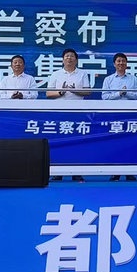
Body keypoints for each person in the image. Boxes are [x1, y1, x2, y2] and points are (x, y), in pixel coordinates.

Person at [46, 49, 91, 182]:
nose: (69, 58)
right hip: (59, 113)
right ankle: (58, 172)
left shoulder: (82, 74)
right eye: (67, 56)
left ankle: (77, 172)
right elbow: (48, 93)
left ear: (76, 60)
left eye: (72, 56)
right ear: (62, 59)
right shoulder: (56, 74)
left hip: (77, 113)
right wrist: (61, 92)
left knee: (77, 142)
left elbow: (88, 92)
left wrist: (74, 90)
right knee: (60, 142)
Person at [102, 53, 137, 181]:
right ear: (114, 64)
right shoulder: (108, 79)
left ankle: (129, 171)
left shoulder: (133, 79)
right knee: (115, 144)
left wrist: (126, 93)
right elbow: (104, 97)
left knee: (130, 143)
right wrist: (119, 94)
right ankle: (115, 172)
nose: (121, 63)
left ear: (126, 63)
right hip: (114, 115)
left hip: (130, 115)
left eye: (123, 61)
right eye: (118, 61)